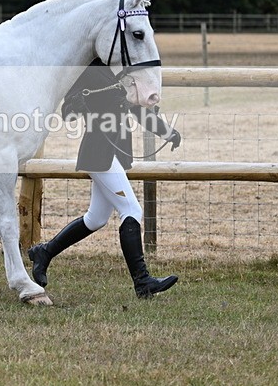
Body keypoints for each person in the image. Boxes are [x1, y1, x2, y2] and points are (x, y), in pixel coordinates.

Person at [28, 58, 181, 298]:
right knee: (131, 210)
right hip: (99, 153)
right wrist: (80, 103)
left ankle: (44, 252)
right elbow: (68, 110)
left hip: (116, 152)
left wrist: (167, 132)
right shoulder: (88, 70)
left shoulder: (122, 72)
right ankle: (143, 283)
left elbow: (137, 111)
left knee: (95, 218)